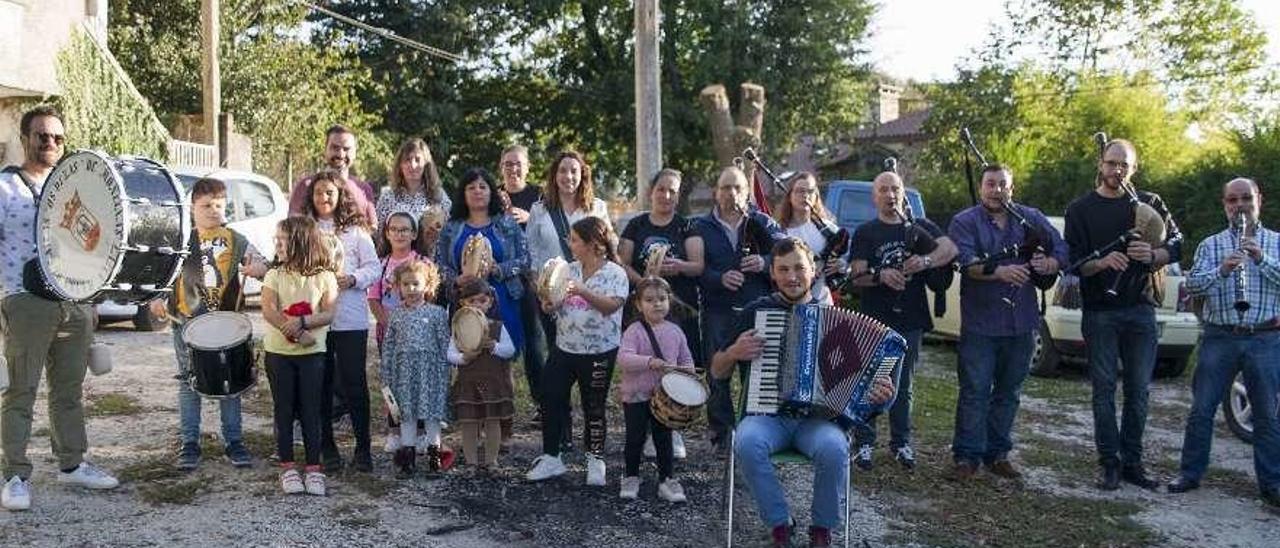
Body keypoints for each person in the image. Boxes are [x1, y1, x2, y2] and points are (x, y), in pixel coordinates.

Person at [713, 238, 895, 548]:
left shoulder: (839, 322)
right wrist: (732, 353)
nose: (791, 276)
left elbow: (869, 391)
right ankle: (781, 525)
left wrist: (883, 395)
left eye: (799, 267)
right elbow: (717, 371)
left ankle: (821, 531)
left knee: (835, 448)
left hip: (818, 421)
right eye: (783, 269)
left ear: (814, 271)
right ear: (772, 273)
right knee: (746, 441)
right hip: (768, 415)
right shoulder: (756, 312)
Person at [1, 105, 120, 511]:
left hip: (72, 301)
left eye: (57, 137)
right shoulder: (4, 187)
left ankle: (72, 464)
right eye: (42, 136)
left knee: (68, 391)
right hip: (24, 299)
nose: (50, 143)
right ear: (24, 138)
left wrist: (93, 299)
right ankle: (15, 475)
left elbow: (93, 244)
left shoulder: (71, 186)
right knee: (21, 390)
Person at [1064, 138, 1182, 490]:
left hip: (1141, 309)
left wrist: (1154, 255)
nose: (1117, 170)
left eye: (1124, 165)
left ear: (1134, 168)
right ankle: (1109, 463)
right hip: (1100, 311)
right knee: (1103, 390)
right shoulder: (1080, 209)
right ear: (1100, 164)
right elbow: (1073, 264)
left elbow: (1177, 243)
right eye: (1112, 163)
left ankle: (1133, 462)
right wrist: (1102, 262)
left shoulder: (1150, 203)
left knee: (1139, 391)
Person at [946, 164, 1066, 479]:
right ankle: (966, 458)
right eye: (990, 184)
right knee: (974, 391)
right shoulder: (964, 221)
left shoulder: (1031, 218)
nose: (997, 190)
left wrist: (1050, 262)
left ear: (1011, 188)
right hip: (981, 324)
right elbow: (965, 261)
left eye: (1003, 184)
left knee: (1009, 393)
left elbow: (1063, 247)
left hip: (1022, 323)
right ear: (982, 187)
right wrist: (998, 272)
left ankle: (997, 454)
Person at [1170, 177, 1280, 507]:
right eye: (1232, 200)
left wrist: (1261, 259)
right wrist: (1222, 269)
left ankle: (1272, 483)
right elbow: (1193, 286)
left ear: (1259, 199)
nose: (1239, 205)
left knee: (1268, 415)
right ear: (1225, 205)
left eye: (1246, 198)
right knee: (1202, 409)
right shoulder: (1211, 244)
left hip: (1265, 337)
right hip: (1220, 336)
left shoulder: (1276, 242)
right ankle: (1190, 474)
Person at [157, 177, 269, 471]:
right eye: (206, 205)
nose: (213, 211)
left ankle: (234, 441)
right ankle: (189, 443)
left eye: (219, 205)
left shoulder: (236, 239)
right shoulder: (180, 239)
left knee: (229, 383)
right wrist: (156, 298)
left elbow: (261, 263)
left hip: (226, 324)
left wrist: (259, 267)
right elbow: (162, 275)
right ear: (192, 207)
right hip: (187, 322)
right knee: (188, 382)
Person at [848, 171, 957, 471]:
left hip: (911, 317)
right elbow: (856, 276)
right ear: (874, 197)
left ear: (902, 193)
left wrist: (924, 261)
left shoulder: (919, 227)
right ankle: (865, 442)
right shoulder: (866, 232)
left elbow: (950, 249)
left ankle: (901, 443)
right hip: (874, 319)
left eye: (894, 188)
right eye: (883, 189)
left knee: (903, 384)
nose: (890, 194)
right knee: (869, 378)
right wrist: (881, 275)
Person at [526, 217, 628, 486]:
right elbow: (554, 303)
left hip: (599, 351)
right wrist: (549, 304)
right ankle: (551, 457)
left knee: (594, 405)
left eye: (574, 239)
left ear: (593, 244)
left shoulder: (615, 273)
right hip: (565, 348)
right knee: (550, 396)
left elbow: (610, 307)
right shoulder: (567, 269)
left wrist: (582, 290)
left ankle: (595, 460)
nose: (568, 244)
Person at [693, 166, 786, 452]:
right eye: (725, 188)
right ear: (715, 193)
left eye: (737, 188)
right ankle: (722, 435)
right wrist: (717, 278)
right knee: (717, 373)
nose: (731, 193)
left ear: (747, 192)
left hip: (755, 309)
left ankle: (753, 433)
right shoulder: (700, 226)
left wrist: (765, 262)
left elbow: (790, 252)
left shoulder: (764, 222)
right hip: (717, 310)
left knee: (756, 374)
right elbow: (695, 269)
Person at [617, 168, 704, 459]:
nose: (666, 195)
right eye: (661, 189)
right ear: (651, 192)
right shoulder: (636, 224)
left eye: (672, 191)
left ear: (677, 196)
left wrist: (678, 266)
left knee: (676, 365)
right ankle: (642, 430)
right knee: (645, 368)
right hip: (644, 305)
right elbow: (623, 261)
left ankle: (672, 427)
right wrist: (643, 282)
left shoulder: (687, 225)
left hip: (678, 308)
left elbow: (698, 265)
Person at [526, 150, 612, 444]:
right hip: (551, 297)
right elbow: (533, 254)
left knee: (588, 366)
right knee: (557, 364)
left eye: (574, 171)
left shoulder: (597, 207)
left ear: (582, 174)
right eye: (563, 171)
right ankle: (561, 433)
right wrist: (542, 292)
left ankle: (593, 439)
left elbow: (606, 249)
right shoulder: (540, 210)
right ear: (554, 175)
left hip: (587, 297)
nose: (568, 177)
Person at [303, 170, 381, 473]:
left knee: (354, 383)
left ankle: (363, 447)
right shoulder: (305, 230)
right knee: (320, 383)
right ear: (312, 197)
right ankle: (327, 446)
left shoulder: (356, 232)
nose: (324, 197)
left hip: (350, 319)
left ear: (340, 197)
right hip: (317, 320)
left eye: (330, 193)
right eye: (319, 192)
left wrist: (353, 278)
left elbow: (373, 267)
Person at [260, 216, 338, 496]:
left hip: (313, 354)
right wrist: (294, 331)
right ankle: (288, 466)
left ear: (301, 241)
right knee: (283, 409)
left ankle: (314, 468)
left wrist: (303, 324)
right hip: (279, 353)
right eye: (276, 240)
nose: (277, 244)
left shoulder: (325, 276)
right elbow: (268, 309)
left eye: (282, 239)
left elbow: (328, 312)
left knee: (311, 409)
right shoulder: (274, 275)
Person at [436, 167, 530, 356]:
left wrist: (499, 269)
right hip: (465, 303)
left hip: (503, 301)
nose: (477, 191)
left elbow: (526, 259)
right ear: (463, 194)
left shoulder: (507, 224)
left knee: (500, 358)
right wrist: (456, 279)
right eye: (471, 187)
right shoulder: (450, 228)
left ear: (491, 192)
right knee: (469, 357)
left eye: (483, 187)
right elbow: (439, 265)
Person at [616, 277, 693, 502]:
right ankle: (630, 476)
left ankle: (667, 480)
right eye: (649, 300)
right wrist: (649, 362)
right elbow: (624, 358)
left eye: (661, 299)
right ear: (639, 305)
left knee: (664, 438)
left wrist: (688, 374)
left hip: (665, 398)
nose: (657, 304)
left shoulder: (676, 331)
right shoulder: (634, 330)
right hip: (636, 395)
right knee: (635, 438)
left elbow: (686, 359)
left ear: (669, 301)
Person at [380, 259, 451, 476]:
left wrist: (445, 372)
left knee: (431, 414)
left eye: (416, 284)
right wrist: (386, 374)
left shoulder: (438, 313)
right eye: (406, 284)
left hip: (430, 373)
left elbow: (444, 344)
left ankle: (434, 455)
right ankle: (407, 458)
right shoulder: (396, 315)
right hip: (404, 373)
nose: (411, 289)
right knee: (407, 414)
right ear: (398, 287)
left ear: (427, 286)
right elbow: (389, 345)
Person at [368, 211, 425, 454]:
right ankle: (394, 430)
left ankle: (421, 432)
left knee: (419, 383)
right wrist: (390, 328)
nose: (399, 234)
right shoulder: (380, 265)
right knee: (392, 384)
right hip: (389, 336)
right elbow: (373, 299)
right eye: (394, 229)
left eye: (404, 230)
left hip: (418, 337)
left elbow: (429, 299)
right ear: (387, 233)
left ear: (413, 234)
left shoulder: (423, 263)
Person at [499, 145, 549, 426]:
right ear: (501, 167)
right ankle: (496, 405)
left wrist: (531, 219)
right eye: (507, 164)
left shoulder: (539, 195)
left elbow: (552, 231)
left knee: (534, 342)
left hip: (529, 277)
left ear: (527, 167)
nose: (513, 169)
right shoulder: (493, 193)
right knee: (495, 341)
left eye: (518, 164)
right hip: (499, 278)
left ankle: (542, 404)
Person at [448, 278, 517, 470]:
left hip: (493, 382)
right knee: (469, 423)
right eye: (472, 301)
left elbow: (510, 350)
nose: (477, 305)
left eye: (481, 300)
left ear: (490, 302)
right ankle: (471, 461)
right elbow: (450, 354)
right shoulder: (459, 328)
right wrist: (464, 358)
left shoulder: (497, 327)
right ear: (463, 303)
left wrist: (494, 346)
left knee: (492, 422)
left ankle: (491, 460)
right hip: (469, 383)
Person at [773, 171, 844, 306]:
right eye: (800, 191)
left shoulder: (830, 229)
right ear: (790, 196)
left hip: (821, 302)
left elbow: (847, 263)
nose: (805, 195)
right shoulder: (779, 231)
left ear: (816, 196)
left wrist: (841, 265)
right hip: (785, 304)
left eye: (810, 191)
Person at [287, 125, 378, 225]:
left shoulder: (363, 189)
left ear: (355, 153)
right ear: (325, 149)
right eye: (335, 148)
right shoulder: (306, 186)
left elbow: (372, 229)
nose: (341, 154)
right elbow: (292, 229)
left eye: (346, 149)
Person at [375, 138, 451, 239]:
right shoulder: (388, 197)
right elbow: (379, 234)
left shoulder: (438, 196)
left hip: (430, 254)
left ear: (426, 164)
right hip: (396, 254)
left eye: (417, 160)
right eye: (407, 160)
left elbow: (447, 235)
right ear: (400, 165)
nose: (413, 165)